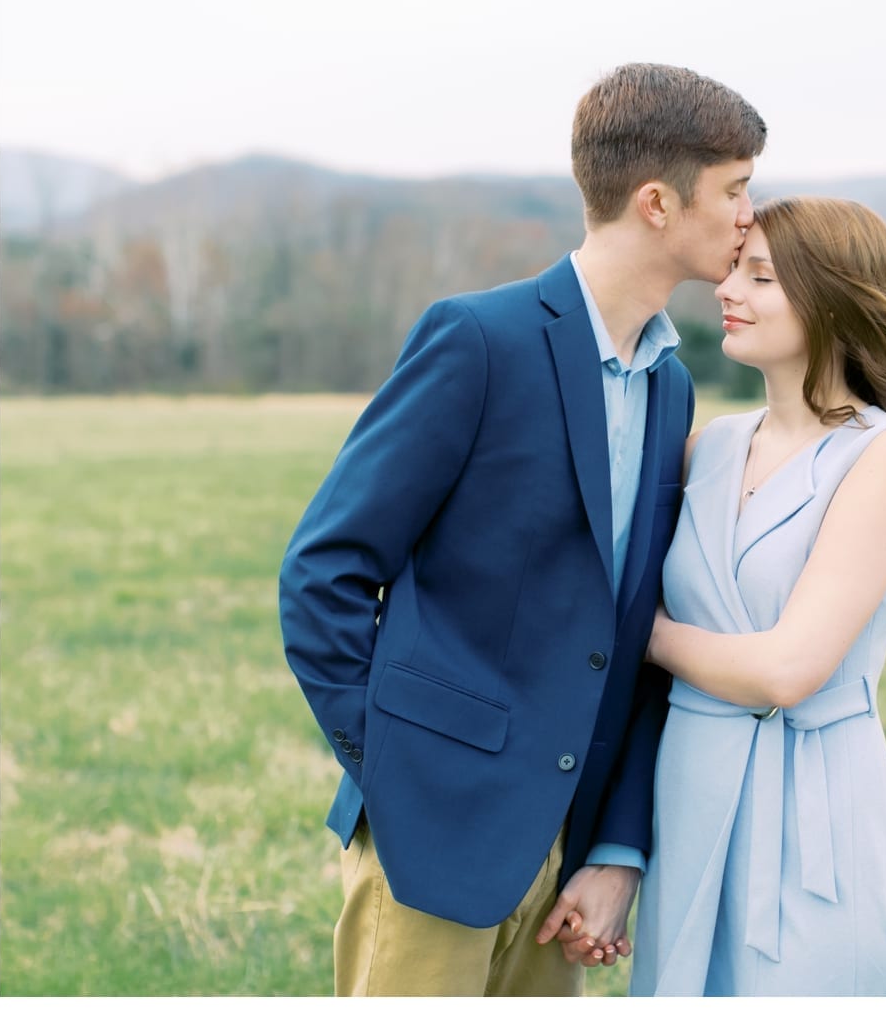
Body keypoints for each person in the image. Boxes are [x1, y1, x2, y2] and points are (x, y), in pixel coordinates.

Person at [278, 62, 766, 996]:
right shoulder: (479, 340)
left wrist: (617, 843)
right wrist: (399, 770)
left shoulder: (670, 384)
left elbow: (632, 629)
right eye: (737, 189)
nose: (751, 215)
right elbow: (325, 573)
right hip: (435, 840)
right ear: (658, 203)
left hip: (566, 863)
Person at [626, 196, 886, 996]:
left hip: (816, 808)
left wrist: (641, 632)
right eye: (735, 269)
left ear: (833, 295)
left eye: (761, 276)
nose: (727, 291)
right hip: (691, 796)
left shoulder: (884, 454)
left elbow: (788, 670)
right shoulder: (707, 447)